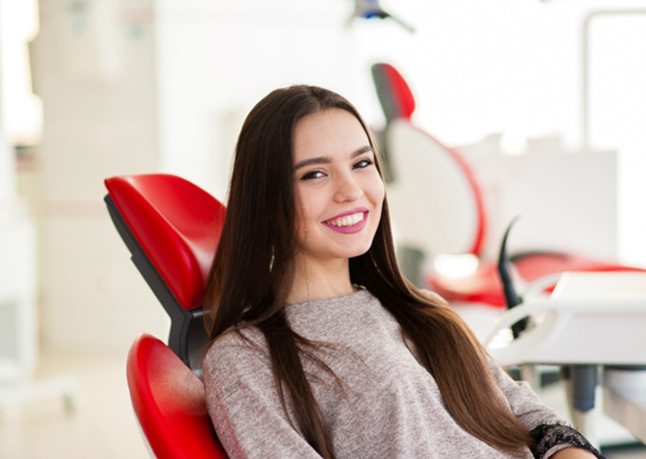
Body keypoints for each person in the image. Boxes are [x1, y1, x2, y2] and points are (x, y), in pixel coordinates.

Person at [202, 85, 602, 459]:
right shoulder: (245, 358)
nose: (351, 191)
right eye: (315, 174)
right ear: (266, 200)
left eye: (362, 163)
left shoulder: (424, 309)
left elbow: (533, 418)